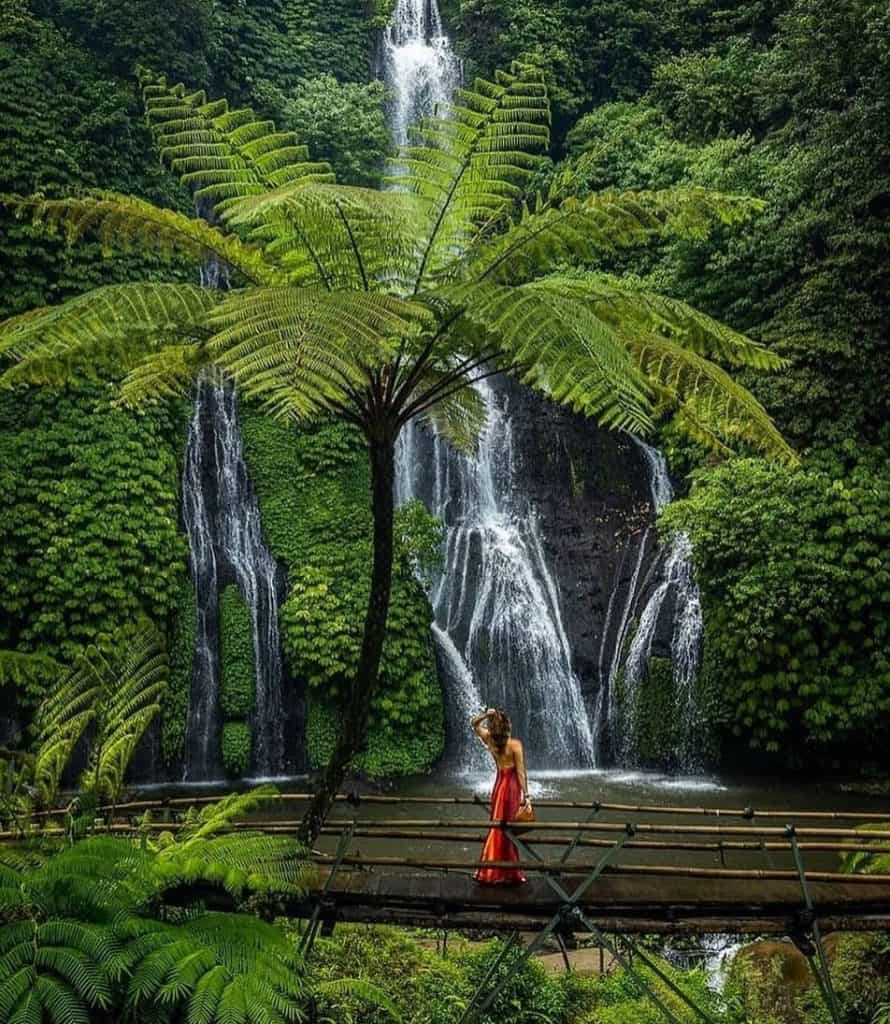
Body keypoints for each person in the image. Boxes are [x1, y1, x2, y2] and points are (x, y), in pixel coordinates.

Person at [471, 707, 529, 884]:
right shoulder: (515, 745)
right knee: (509, 831)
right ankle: (511, 873)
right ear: (507, 727)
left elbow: (473, 724)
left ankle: (492, 870)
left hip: (498, 786)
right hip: (511, 789)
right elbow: (520, 773)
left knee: (497, 829)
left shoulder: (489, 739)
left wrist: (486, 715)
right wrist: (527, 796)